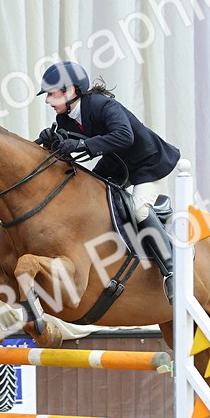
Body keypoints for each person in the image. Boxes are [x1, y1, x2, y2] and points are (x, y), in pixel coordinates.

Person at [34, 61, 180, 298]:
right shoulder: (65, 119)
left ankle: (172, 270)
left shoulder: (102, 105)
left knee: (138, 209)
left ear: (69, 91)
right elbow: (67, 151)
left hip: (147, 163)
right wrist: (52, 143)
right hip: (117, 165)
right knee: (88, 200)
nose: (47, 101)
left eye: (51, 94)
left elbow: (124, 136)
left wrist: (82, 145)